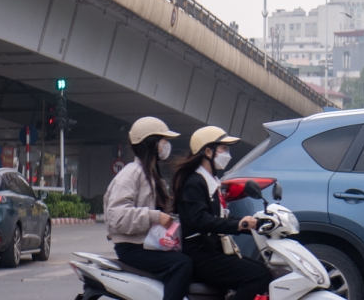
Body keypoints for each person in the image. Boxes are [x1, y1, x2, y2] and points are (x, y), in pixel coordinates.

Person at [173, 126, 272, 300]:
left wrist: (249, 223)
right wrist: (238, 224)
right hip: (201, 255)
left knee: (265, 271)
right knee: (257, 276)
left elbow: (220, 218)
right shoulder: (194, 182)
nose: (228, 154)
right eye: (223, 149)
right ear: (208, 152)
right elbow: (200, 219)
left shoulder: (211, 181)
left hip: (214, 251)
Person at [103, 117, 193, 300]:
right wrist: (154, 217)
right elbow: (117, 216)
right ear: (151, 143)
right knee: (182, 265)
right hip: (133, 247)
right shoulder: (131, 174)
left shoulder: (151, 175)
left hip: (147, 243)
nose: (166, 145)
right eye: (163, 140)